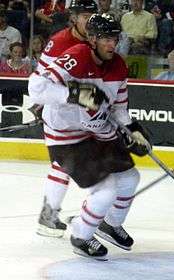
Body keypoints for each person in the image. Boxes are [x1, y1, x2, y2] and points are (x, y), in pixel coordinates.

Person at [28, 13, 151, 260]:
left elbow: (118, 109)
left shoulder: (118, 64)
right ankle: (81, 236)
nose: (111, 44)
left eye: (114, 38)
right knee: (105, 192)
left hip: (97, 130)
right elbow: (36, 88)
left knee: (129, 178)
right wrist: (74, 94)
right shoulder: (76, 56)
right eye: (105, 38)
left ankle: (109, 224)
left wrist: (134, 131)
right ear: (92, 39)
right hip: (68, 136)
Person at [32, 0, 98, 238]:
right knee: (68, 164)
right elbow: (40, 81)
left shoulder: (95, 38)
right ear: (73, 17)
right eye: (84, 15)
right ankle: (93, 215)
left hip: (83, 112)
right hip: (63, 113)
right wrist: (48, 101)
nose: (89, 20)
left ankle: (58, 215)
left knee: (67, 165)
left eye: (92, 15)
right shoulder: (60, 41)